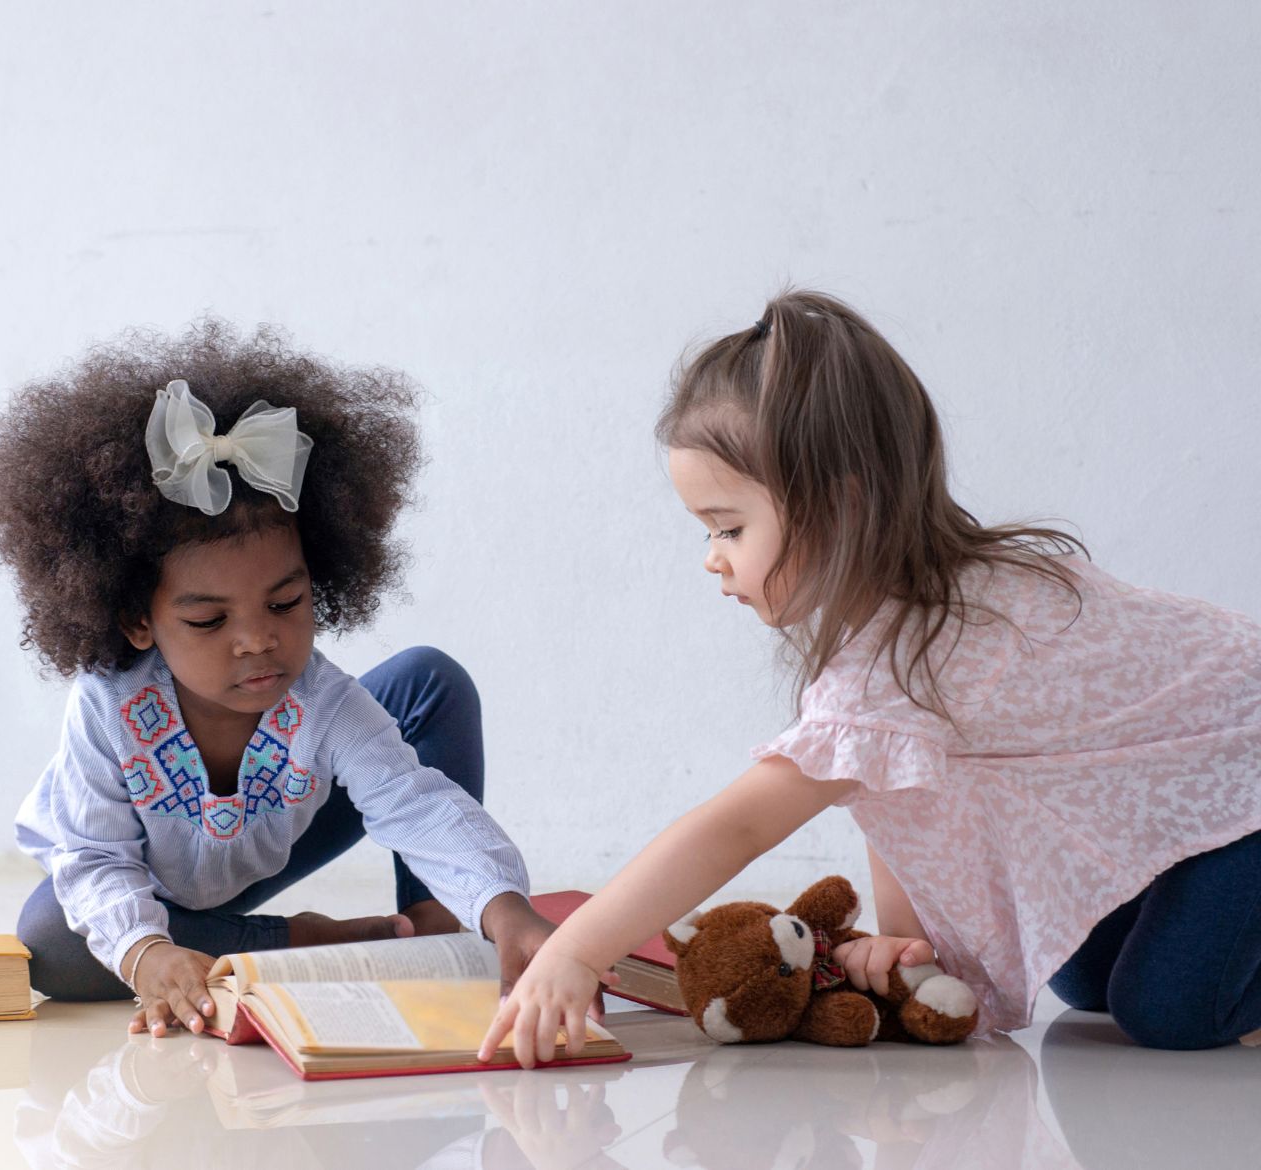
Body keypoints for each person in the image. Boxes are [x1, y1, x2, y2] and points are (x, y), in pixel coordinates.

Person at [481, 290, 1261, 1066]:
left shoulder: (944, 636)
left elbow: (739, 826)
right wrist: (907, 952)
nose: (712, 556)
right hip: (1213, 790)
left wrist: (576, 955)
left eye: (729, 527)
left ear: (839, 506)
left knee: (1168, 1010)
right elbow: (894, 797)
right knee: (1086, 976)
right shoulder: (905, 639)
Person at [0, 320, 553, 1037]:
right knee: (51, 939)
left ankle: (433, 918)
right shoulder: (107, 704)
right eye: (210, 621)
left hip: (274, 834)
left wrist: (501, 905)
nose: (258, 640)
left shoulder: (326, 702)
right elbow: (94, 856)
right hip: (157, 882)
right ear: (135, 619)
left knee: (430, 680)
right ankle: (298, 942)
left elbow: (415, 802)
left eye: (285, 603)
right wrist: (148, 952)